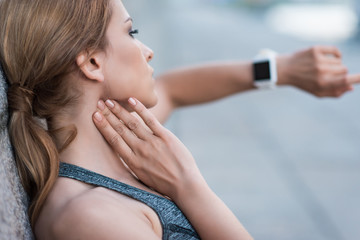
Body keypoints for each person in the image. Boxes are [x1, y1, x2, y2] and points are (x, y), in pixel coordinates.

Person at [0, 0, 359, 239]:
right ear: (92, 63)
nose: (147, 50)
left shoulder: (119, 144)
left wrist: (282, 70)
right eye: (130, 33)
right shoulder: (93, 218)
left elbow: (173, 88)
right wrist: (189, 187)